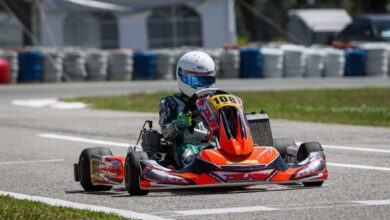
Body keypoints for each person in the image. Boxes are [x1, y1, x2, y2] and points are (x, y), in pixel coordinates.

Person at [159, 51, 216, 168]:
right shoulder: (171, 102)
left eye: (205, 80)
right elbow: (165, 134)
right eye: (195, 80)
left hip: (215, 143)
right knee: (189, 152)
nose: (200, 84)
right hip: (187, 145)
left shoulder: (215, 100)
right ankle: (203, 164)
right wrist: (177, 125)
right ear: (181, 75)